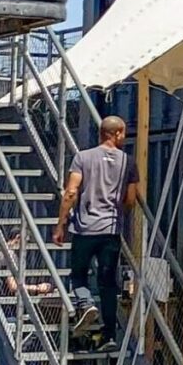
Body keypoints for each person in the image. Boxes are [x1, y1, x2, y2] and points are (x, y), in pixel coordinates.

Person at [53, 116, 135, 351]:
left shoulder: (83, 157)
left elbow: (71, 192)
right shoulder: (128, 162)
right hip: (111, 230)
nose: (125, 137)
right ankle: (109, 336)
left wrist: (60, 224)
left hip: (84, 228)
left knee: (78, 274)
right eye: (124, 133)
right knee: (108, 283)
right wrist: (118, 211)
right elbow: (130, 198)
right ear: (116, 133)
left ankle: (86, 304)